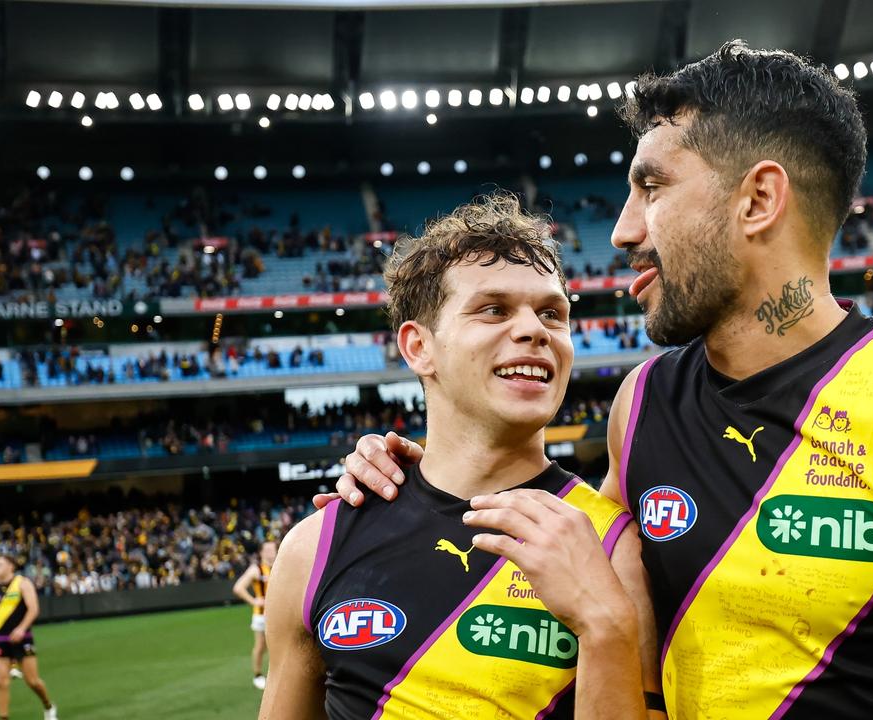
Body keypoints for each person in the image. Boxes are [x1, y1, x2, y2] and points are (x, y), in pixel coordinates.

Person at [326, 41, 873, 717]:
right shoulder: (640, 407)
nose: (622, 230)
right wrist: (398, 476)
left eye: (652, 186)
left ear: (757, 200)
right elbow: (562, 565)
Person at [260, 194, 662, 720]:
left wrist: (604, 624)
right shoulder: (315, 547)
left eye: (552, 314)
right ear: (418, 348)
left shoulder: (613, 547)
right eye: (493, 309)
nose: (534, 330)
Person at [0, 556, 57, 720]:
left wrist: (21, 628)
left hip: (23, 640)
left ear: (11, 566)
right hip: (1, 642)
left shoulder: (23, 583)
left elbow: (33, 609)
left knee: (32, 681)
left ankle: (48, 706)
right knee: (1, 682)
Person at [233, 540, 278, 689]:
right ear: (261, 552)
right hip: (261, 615)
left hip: (279, 614)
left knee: (279, 645)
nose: (271, 553)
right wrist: (253, 601)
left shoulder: (280, 566)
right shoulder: (256, 569)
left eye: (273, 550)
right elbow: (238, 588)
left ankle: (277, 675)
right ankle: (258, 674)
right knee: (261, 646)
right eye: (267, 550)